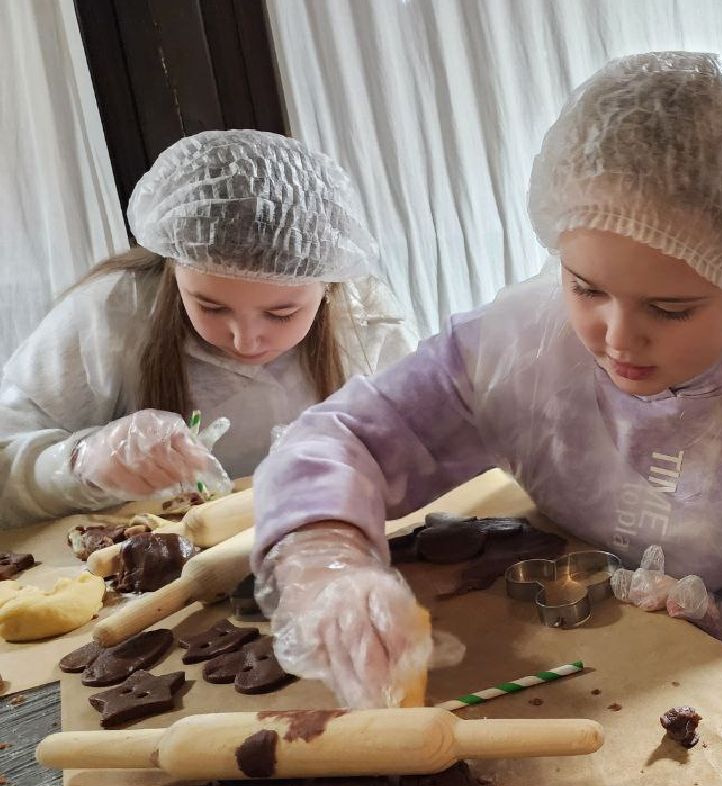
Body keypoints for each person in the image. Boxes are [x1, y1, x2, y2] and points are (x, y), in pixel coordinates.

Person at [250, 52, 722, 709]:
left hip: (720, 706)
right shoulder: (519, 344)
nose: (618, 337)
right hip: (568, 668)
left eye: (669, 309)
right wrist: (326, 561)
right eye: (585, 287)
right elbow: (342, 437)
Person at [0, 130, 415, 527]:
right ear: (173, 269)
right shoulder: (109, 313)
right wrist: (80, 462)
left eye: (281, 313)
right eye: (210, 306)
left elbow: (434, 445)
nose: (245, 339)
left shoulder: (365, 320)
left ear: (329, 287)